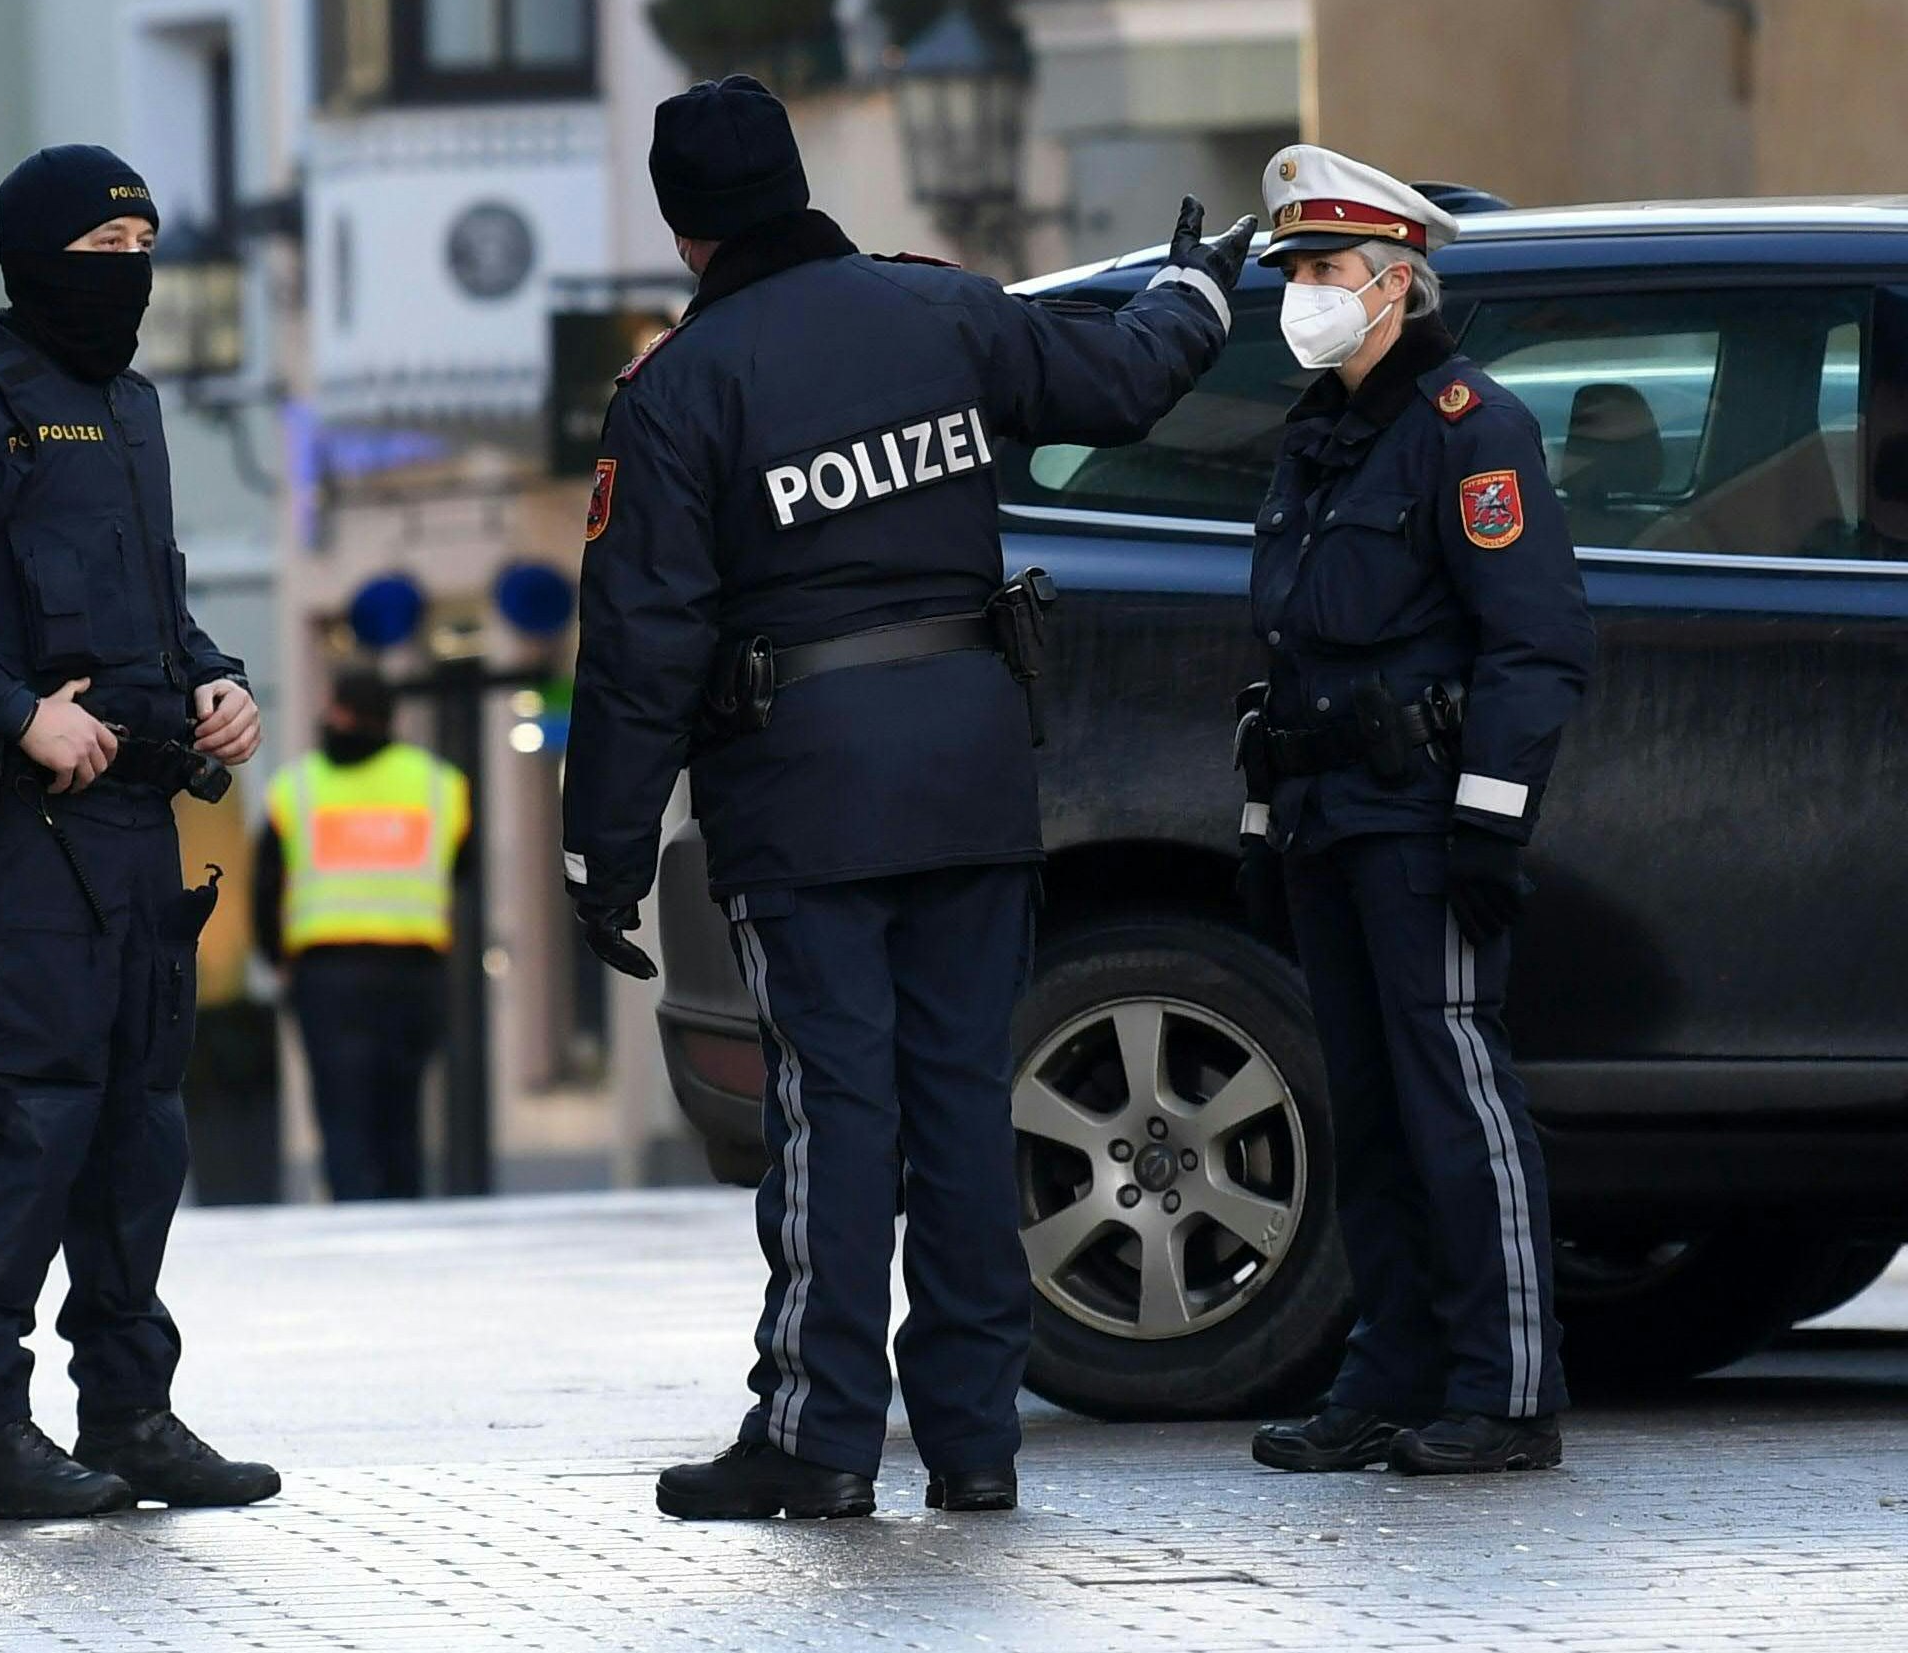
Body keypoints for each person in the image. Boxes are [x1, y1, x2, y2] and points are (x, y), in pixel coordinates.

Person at [563, 74, 1253, 1521]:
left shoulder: (680, 391)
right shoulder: (941, 313)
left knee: (835, 1112)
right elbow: (1118, 381)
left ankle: (816, 1439)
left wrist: (602, 854)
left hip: (804, 799)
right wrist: (1193, 288)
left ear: (682, 231)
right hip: (969, 775)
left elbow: (641, 648)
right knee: (958, 1104)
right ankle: (972, 1438)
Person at [0, 144, 280, 1523]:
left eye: (143, 243)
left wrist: (215, 677)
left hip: (139, 832)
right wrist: (16, 712)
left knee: (136, 1130)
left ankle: (129, 1412)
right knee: (16, 1124)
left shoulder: (130, 408)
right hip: (24, 835)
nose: (129, 274)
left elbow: (148, 605)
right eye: (103, 249)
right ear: (33, 258)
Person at [1232, 146, 1595, 1478]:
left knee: (1454, 1095)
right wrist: (1269, 822)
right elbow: (1293, 647)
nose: (1303, 294)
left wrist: (1488, 820)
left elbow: (1533, 645)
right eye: (1293, 272)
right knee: (1366, 1106)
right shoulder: (1321, 436)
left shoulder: (1467, 430)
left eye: (1322, 271)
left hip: (1420, 817)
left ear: (1392, 282)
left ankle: (1501, 1388)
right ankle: (1386, 1370)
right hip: (1330, 812)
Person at [251, 667, 472, 1202]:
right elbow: (462, 869)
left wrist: (274, 955)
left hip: (329, 975)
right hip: (414, 971)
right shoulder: (440, 784)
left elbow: (264, 886)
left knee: (342, 1111)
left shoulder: (296, 788)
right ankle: (403, 1219)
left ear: (341, 712)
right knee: (402, 1112)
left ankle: (354, 1223)